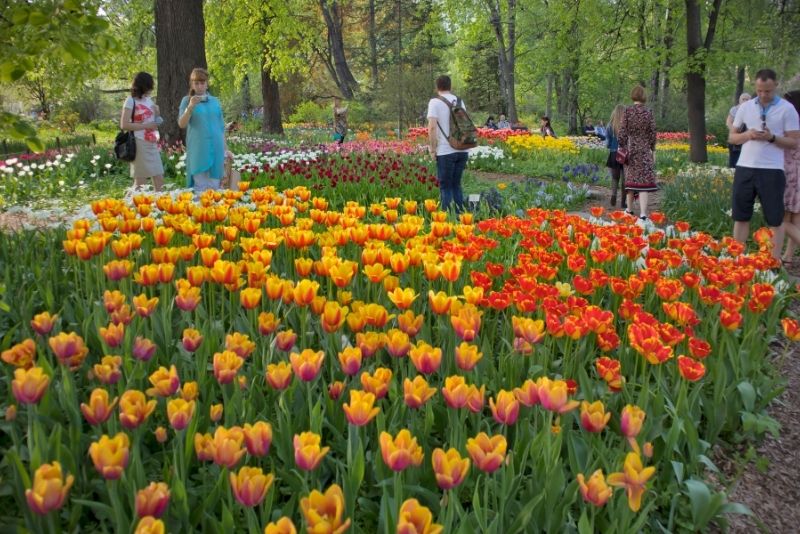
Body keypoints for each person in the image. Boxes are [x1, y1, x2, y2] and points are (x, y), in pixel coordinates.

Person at [729, 69, 800, 263]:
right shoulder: (745, 108)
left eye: (767, 91)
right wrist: (748, 135)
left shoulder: (787, 109)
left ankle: (773, 263)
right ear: (755, 87)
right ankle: (738, 260)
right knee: (741, 215)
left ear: (775, 85)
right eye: (759, 90)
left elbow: (794, 142)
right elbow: (732, 137)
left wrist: (772, 137)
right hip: (745, 167)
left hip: (772, 170)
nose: (763, 95)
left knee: (775, 219)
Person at [178, 68, 232, 194]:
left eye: (202, 83)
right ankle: (200, 213)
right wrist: (190, 107)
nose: (200, 86)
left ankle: (216, 213)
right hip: (199, 149)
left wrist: (226, 149)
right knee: (200, 186)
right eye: (196, 83)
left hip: (216, 148)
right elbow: (182, 123)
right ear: (192, 84)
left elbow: (221, 128)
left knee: (215, 186)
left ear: (207, 84)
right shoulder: (187, 101)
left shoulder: (215, 101)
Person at [427, 75, 469, 213]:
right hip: (462, 149)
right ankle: (460, 218)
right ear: (450, 86)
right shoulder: (460, 102)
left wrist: (433, 149)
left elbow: (432, 127)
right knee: (456, 185)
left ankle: (445, 221)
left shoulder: (435, 102)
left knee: (445, 187)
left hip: (445, 151)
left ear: (437, 87)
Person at [618, 85, 658, 221]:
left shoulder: (628, 111)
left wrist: (622, 145)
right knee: (644, 184)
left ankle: (629, 210)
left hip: (631, 150)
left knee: (630, 181)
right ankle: (643, 214)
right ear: (644, 97)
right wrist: (652, 148)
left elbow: (622, 131)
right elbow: (653, 132)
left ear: (633, 95)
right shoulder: (649, 112)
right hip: (644, 151)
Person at [120, 72, 164, 191]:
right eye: (149, 85)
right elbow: (124, 125)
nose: (151, 88)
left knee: (159, 178)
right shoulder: (130, 101)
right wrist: (146, 125)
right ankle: (127, 206)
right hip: (139, 142)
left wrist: (158, 113)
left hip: (152, 142)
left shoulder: (149, 100)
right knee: (140, 182)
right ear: (143, 85)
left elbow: (156, 121)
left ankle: (161, 207)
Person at [781, 90, 800, 266]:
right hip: (798, 172)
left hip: (789, 173)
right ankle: (787, 256)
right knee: (796, 218)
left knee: (781, 219)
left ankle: (781, 256)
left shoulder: (791, 126)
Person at [605, 105, 627, 209]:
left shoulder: (610, 125)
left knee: (615, 177)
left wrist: (611, 146)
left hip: (614, 153)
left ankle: (613, 195)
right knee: (624, 178)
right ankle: (623, 201)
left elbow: (608, 142)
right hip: (624, 153)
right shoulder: (627, 125)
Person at [726, 92, 752, 168]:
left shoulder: (753, 110)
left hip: (747, 138)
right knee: (734, 160)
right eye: (743, 99)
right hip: (735, 138)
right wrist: (735, 131)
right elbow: (728, 122)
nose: (745, 101)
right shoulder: (734, 109)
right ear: (739, 100)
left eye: (747, 99)